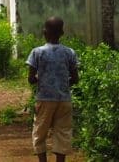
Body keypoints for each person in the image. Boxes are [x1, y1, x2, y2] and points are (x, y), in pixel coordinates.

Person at [26, 17, 79, 162]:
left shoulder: (37, 53)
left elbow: (30, 79)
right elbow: (75, 79)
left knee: (40, 131)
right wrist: (63, 83)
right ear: (62, 33)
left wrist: (40, 80)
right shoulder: (69, 53)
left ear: (44, 32)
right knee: (63, 132)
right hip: (64, 100)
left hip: (44, 98)